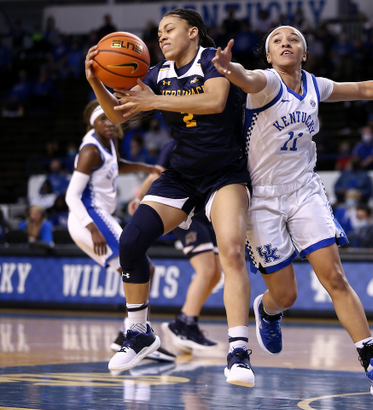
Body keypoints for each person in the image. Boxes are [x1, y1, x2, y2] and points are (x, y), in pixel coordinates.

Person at [213, 25, 373, 395]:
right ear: (270, 55)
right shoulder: (264, 82)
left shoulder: (315, 85)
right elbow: (245, 77)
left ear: (304, 53)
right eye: (277, 41)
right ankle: (269, 310)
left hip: (305, 190)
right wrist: (230, 70)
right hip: (262, 198)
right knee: (286, 294)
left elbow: (363, 89)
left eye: (293, 39)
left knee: (335, 278)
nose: (286, 43)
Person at [85, 9, 254, 387]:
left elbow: (212, 101)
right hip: (181, 176)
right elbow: (119, 114)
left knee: (229, 251)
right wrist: (97, 82)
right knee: (131, 240)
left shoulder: (214, 61)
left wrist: (155, 102)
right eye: (158, 32)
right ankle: (139, 332)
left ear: (193, 32)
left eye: (169, 29)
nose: (160, 36)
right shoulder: (157, 73)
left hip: (224, 175)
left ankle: (239, 351)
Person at [65, 100, 175, 364]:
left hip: (99, 216)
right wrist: (91, 228)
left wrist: (145, 168)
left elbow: (115, 165)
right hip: (88, 217)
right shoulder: (91, 149)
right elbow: (71, 195)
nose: (109, 123)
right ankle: (138, 336)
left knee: (143, 271)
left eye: (110, 118)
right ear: (92, 122)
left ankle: (132, 336)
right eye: (102, 120)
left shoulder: (109, 141)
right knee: (144, 269)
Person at [128, 139, 221, 353]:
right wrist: (140, 198)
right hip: (184, 209)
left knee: (215, 273)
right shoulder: (179, 140)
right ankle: (186, 323)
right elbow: (156, 173)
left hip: (206, 210)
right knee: (206, 270)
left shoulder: (217, 133)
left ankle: (182, 323)